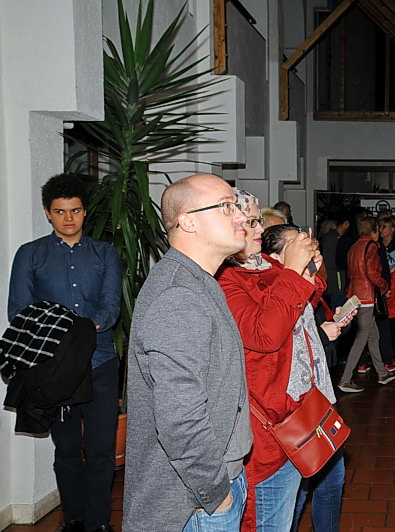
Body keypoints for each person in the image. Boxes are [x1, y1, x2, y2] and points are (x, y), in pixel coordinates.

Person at [123, 174, 252, 531]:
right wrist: (217, 494)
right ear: (188, 221)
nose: (241, 215)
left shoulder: (197, 280)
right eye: (227, 206)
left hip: (208, 491)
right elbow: (180, 420)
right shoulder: (179, 295)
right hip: (194, 504)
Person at [216, 206, 352, 531]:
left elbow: (298, 312)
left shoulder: (263, 269)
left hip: (303, 405)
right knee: (277, 513)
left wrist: (307, 273)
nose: (258, 230)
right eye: (249, 223)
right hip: (271, 421)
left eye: (256, 222)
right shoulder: (227, 278)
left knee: (317, 487)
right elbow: (267, 334)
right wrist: (294, 271)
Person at [7, 173, 121, 532]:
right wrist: (69, 335)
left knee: (101, 449)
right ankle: (73, 518)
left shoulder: (106, 253)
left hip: (100, 363)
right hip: (54, 369)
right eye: (59, 211)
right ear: (47, 213)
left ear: (85, 211)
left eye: (75, 210)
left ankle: (99, 522)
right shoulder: (30, 254)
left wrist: (84, 331)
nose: (68, 218)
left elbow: (111, 307)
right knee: (67, 448)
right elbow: (19, 310)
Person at [339, 216, 395, 392]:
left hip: (355, 296)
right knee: (362, 338)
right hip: (367, 297)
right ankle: (345, 379)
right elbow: (372, 273)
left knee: (373, 336)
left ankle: (382, 373)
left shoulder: (354, 246)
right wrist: (384, 286)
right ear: (374, 231)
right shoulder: (371, 246)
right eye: (377, 229)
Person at [320, 213, 350, 309]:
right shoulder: (332, 238)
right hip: (336, 281)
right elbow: (332, 262)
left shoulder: (333, 237)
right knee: (338, 309)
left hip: (336, 279)